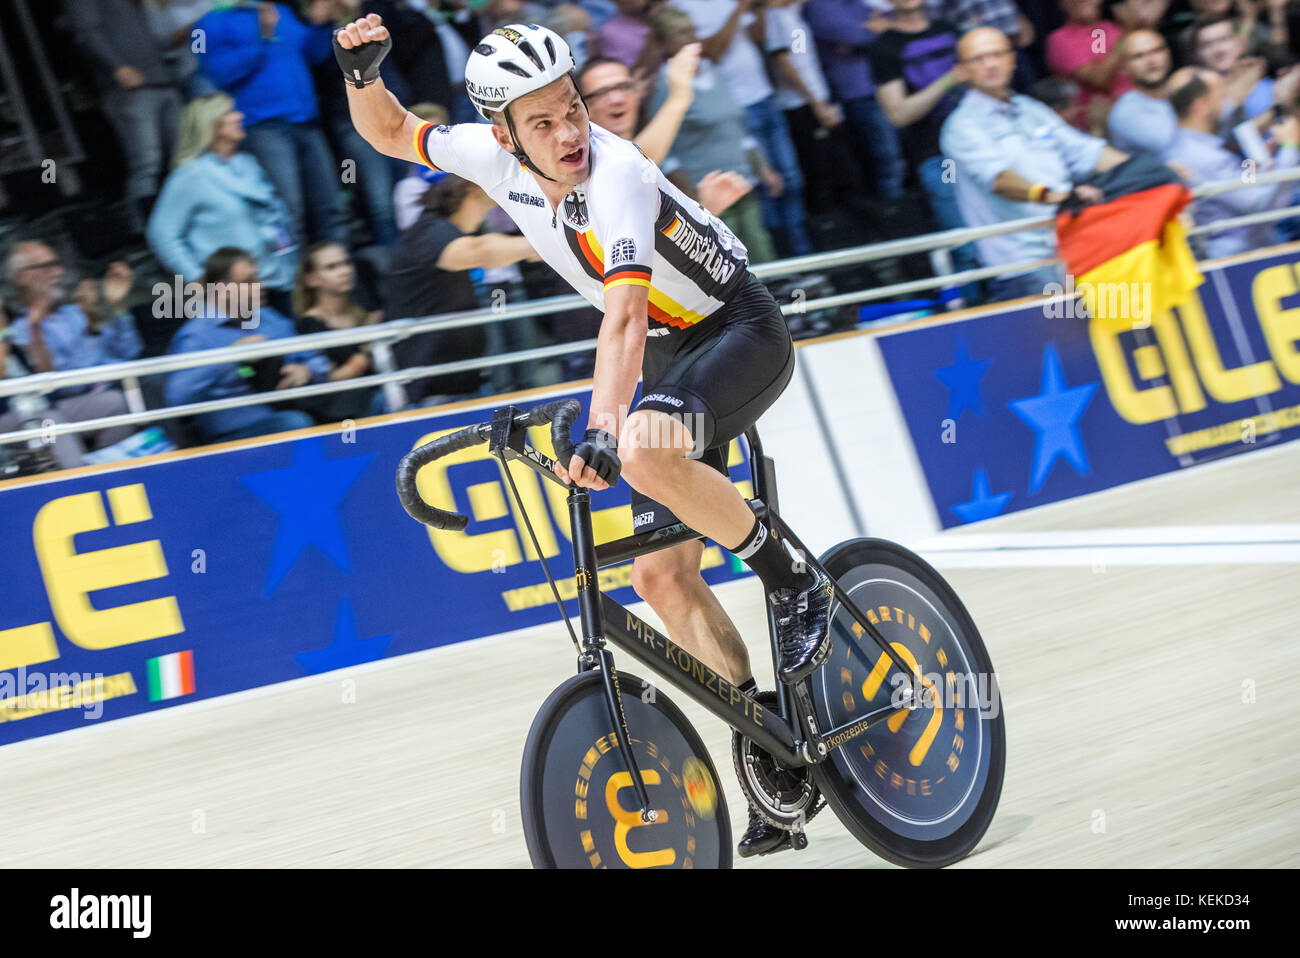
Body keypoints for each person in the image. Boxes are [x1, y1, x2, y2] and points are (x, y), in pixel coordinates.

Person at [337, 15, 834, 857]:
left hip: (738, 330)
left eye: (572, 107)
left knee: (639, 445)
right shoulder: (486, 160)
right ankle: (771, 736)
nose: (571, 131)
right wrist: (358, 73)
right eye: (544, 122)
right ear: (503, 135)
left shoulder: (620, 174)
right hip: (680, 353)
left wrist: (604, 429)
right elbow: (387, 128)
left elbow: (626, 320)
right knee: (661, 580)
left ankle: (797, 582)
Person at [940, 27, 1131, 301]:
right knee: (1061, 343)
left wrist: (1146, 170)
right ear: (962, 70)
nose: (990, 64)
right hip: (1023, 267)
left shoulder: (1031, 109)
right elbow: (1000, 181)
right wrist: (1056, 197)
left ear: (1012, 59)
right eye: (978, 59)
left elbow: (1086, 152)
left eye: (997, 54)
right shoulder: (960, 126)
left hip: (1073, 249)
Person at [195, 0, 350, 249]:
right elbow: (218, 73)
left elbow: (315, 55)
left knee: (332, 209)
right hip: (264, 127)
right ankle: (292, 285)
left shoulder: (283, 11)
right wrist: (261, 37)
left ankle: (337, 280)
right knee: (289, 213)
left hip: (307, 122)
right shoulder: (207, 24)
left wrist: (322, 25)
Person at [674, 0, 814, 257]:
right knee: (761, 192)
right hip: (736, 104)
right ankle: (781, 259)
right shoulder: (684, 6)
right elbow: (710, 52)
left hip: (765, 95)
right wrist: (738, 9)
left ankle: (801, 255)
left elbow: (760, 40)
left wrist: (757, 10)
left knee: (791, 180)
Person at [386, 173, 540, 405]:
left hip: (464, 382)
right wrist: (543, 245)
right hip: (434, 394)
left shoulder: (441, 229)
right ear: (473, 188)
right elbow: (482, 251)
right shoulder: (431, 232)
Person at [647, 7, 780, 263]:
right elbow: (664, 155)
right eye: (681, 33)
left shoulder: (717, 72)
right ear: (665, 42)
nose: (691, 38)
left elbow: (739, 128)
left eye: (692, 31)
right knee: (728, 266)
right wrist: (691, 199)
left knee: (763, 255)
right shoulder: (665, 86)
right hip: (706, 196)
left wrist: (763, 167)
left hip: (743, 183)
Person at [148, 94, 299, 315]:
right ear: (212, 123)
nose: (240, 116)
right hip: (232, 293)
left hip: (277, 280)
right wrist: (196, 277)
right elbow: (162, 234)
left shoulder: (248, 165)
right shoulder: (191, 176)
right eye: (229, 113)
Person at [164, 248, 330, 443]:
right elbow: (176, 398)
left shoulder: (270, 319)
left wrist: (306, 371)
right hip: (232, 437)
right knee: (295, 424)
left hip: (291, 409)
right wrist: (228, 357)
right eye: (249, 282)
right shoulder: (196, 335)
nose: (260, 286)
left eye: (258, 279)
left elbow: (319, 362)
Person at [0, 244, 140, 465]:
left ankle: (112, 472)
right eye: (47, 266)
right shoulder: (19, 330)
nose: (58, 272)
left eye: (57, 264)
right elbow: (58, 385)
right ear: (22, 277)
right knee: (50, 422)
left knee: (116, 402)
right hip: (43, 411)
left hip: (85, 400)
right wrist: (36, 330)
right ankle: (81, 484)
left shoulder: (77, 312)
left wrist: (116, 307)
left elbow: (128, 354)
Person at [869, 0, 980, 275]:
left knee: (1001, 236)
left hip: (980, 146)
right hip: (936, 156)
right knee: (967, 250)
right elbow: (898, 114)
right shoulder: (885, 47)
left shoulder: (950, 30)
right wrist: (948, 80)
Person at [577, 49, 754, 214]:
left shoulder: (654, 156)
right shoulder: (589, 163)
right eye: (601, 93)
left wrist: (708, 211)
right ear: (582, 108)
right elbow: (632, 163)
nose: (616, 99)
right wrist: (679, 97)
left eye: (623, 87)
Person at [68, 0, 183, 235]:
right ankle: (151, 234)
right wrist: (116, 67)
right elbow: (87, 32)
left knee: (184, 159)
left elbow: (154, 32)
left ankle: (185, 224)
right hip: (131, 87)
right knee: (147, 164)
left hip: (164, 79)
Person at [1163, 66, 1300, 259]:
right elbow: (1261, 204)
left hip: (1252, 249)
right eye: (1220, 97)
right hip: (1241, 258)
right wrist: (1291, 147)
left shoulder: (1191, 144)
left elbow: (1247, 183)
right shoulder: (1202, 156)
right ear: (1201, 106)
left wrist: (1258, 159)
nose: (1226, 103)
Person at [292, 242, 383, 422]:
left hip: (373, 393)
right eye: (332, 267)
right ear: (312, 279)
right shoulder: (310, 326)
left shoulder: (365, 308)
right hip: (342, 412)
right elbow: (330, 380)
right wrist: (366, 351)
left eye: (346, 263)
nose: (345, 271)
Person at [1108, 29, 1177, 155]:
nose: (1150, 61)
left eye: (1156, 51)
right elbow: (1175, 147)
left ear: (1168, 54)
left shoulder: (1180, 93)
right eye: (1138, 56)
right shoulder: (1126, 112)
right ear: (1124, 67)